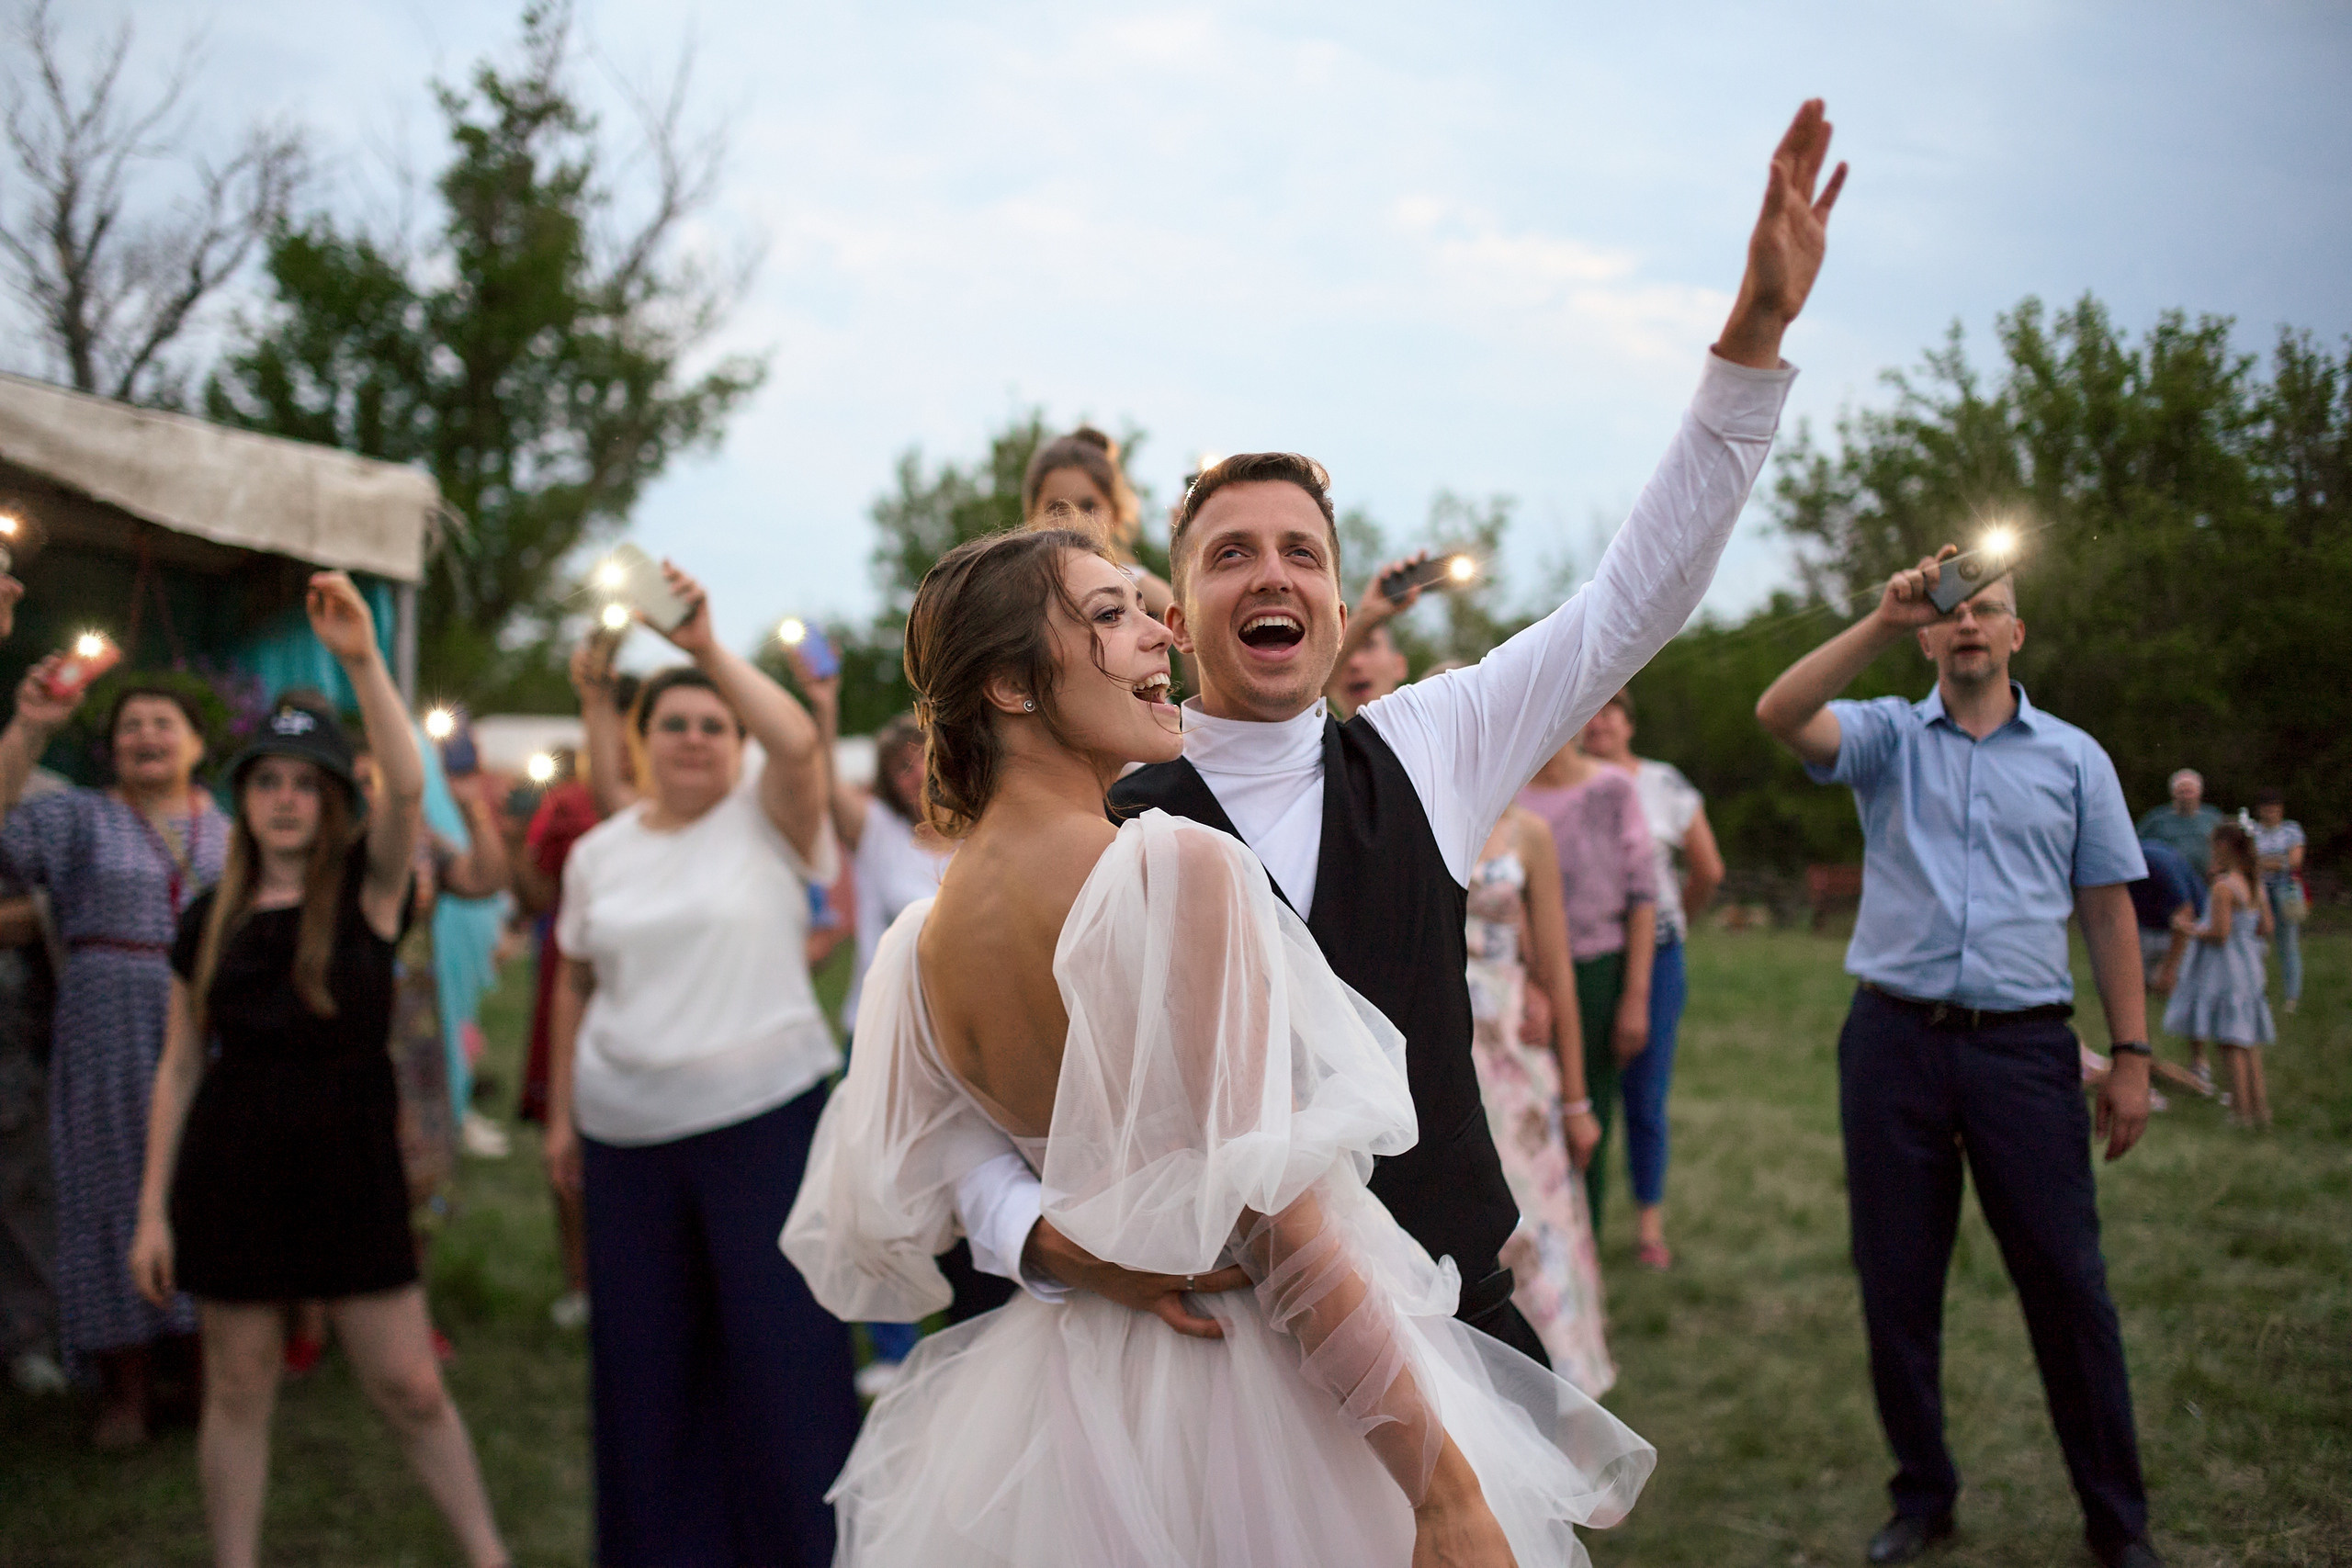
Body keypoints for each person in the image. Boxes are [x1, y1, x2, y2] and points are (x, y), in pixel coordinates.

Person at [946, 101, 1845, 1371]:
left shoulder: (1433, 741)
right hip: (1209, 1357)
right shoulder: (1098, 799)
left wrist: (1750, 342)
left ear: (1332, 592)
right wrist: (1038, 1235)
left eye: (1302, 552)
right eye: (1232, 554)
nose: (1275, 574)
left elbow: (1628, 602)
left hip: (1446, 1325)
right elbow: (959, 1090)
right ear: (1178, 609)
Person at [784, 525, 1655, 1566]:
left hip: (1074, 1399)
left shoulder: (921, 941)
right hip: (1255, 1393)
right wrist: (1442, 1493)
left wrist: (1066, 1244)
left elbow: (906, 1178)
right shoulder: (1171, 871)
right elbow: (1278, 1227)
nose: (1161, 633)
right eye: (1109, 615)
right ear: (1012, 686)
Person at [1757, 549, 2162, 1568]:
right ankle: (1922, 1495)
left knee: (2068, 1289)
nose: (1970, 623)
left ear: (2016, 636)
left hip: (2023, 1052)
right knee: (1897, 1287)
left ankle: (2117, 1523)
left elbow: (2109, 910)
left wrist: (2132, 1057)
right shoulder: (1889, 739)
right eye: (1952, 611)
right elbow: (1779, 710)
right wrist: (1884, 620)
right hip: (1893, 1044)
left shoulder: (2074, 759)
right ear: (1931, 634)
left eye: (1989, 610)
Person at [127, 575, 509, 1568]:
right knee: (240, 1383)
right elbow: (175, 1070)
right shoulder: (206, 918)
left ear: (334, 799)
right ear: (244, 795)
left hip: (350, 1168)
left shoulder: (372, 895)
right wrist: (152, 1211)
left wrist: (359, 661)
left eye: (306, 782)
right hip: (233, 1168)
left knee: (411, 1385)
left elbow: (413, 788)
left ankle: (487, 1555)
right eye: (269, 781)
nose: (286, 798)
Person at [543, 560, 858, 1567]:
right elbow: (574, 981)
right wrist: (558, 1119)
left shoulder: (770, 823)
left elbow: (801, 740)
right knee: (646, 1373)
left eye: (711, 724)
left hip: (763, 1125)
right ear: (642, 741)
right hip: (625, 1140)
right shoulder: (603, 852)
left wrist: (704, 652)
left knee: (782, 1364)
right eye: (673, 722)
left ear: (735, 743)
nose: (691, 736)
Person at [0, 676, 229, 1447]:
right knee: (108, 1192)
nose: (147, 736)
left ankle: (205, 1381)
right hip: (104, 1025)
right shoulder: (81, 817)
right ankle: (125, 1389)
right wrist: (30, 730)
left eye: (165, 723)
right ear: (111, 747)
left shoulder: (234, 832)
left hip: (207, 1025)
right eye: (132, 726)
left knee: (204, 1190)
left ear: (198, 743)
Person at [1464, 802, 1613, 1393]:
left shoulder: (1529, 833)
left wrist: (1577, 1104)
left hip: (1512, 1054)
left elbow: (1555, 967)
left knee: (1535, 1221)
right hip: (1431, 1038)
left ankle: (1560, 1385)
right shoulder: (1410, 803)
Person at [1577, 688, 1724, 1269]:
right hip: (1587, 949)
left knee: (1646, 1090)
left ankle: (1648, 1227)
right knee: (1584, 1090)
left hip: (1656, 950)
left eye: (1612, 711)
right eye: (1590, 711)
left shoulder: (1662, 784)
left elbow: (1708, 868)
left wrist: (1677, 917)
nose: (1600, 722)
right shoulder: (1567, 783)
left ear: (1631, 724)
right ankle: (1578, 1223)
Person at [1516, 736, 1657, 1245]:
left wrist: (1636, 996)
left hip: (1597, 970)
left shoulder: (1613, 789)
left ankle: (1586, 1243)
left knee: (1588, 1111)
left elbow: (1644, 895)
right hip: (1524, 977)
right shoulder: (1512, 791)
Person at [2162, 823, 2274, 1128]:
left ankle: (2240, 1112)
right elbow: (2267, 927)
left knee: (2230, 1040)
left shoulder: (2224, 887)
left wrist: (2186, 928)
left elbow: (2219, 934)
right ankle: (2259, 1110)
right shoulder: (2254, 884)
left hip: (2226, 970)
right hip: (2250, 967)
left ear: (2224, 847)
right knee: (2248, 1041)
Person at [1023, 425, 1177, 619]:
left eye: (1088, 507)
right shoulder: (1022, 588)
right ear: (1032, 516)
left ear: (1117, 515)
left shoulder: (1134, 584)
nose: (1073, 521)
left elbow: (1188, 635)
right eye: (1058, 508)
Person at [2250, 788, 2306, 1014]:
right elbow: (2248, 860)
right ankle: (2259, 995)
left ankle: (2292, 998)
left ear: (2281, 809)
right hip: (2258, 890)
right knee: (2257, 944)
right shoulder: (2252, 830)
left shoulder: (2292, 830)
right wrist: (2275, 861)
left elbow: (2294, 861)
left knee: (2288, 944)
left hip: (2285, 890)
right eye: (2266, 808)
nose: (2270, 812)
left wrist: (2262, 862)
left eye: (2274, 807)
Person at [2135, 769, 2224, 880]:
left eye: (2189, 791)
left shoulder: (2212, 817)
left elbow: (2224, 845)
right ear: (2173, 793)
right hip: (2170, 879)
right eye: (2182, 791)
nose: (2186, 796)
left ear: (2199, 793)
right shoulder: (2156, 820)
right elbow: (2138, 847)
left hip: (2207, 879)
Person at [1327, 619, 1410, 718]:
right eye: (1340, 652)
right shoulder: (1312, 732)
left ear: (1399, 665)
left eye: (1368, 646)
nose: (1355, 663)